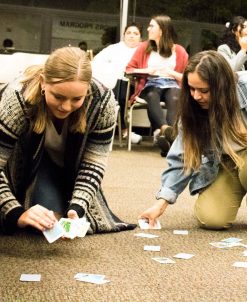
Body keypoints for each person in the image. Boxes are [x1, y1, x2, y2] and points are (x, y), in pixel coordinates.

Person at [139, 50, 247, 233]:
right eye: (191, 89)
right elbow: (182, 157)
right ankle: (241, 186)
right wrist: (161, 204)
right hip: (225, 163)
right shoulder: (193, 107)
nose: (195, 96)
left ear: (221, 85)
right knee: (211, 220)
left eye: (204, 90)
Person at [0, 47, 135, 235]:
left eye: (76, 99)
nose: (65, 106)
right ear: (43, 83)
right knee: (37, 220)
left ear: (87, 89)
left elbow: (94, 163)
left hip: (69, 166)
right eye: (58, 96)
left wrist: (78, 207)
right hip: (20, 164)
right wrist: (14, 211)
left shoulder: (103, 101)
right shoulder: (16, 98)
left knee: (55, 220)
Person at [126, 15, 188, 156]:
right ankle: (167, 131)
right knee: (152, 95)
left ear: (162, 30)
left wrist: (171, 73)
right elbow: (129, 69)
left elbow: (187, 78)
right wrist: (146, 71)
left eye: (151, 26)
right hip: (150, 83)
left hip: (172, 83)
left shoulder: (179, 51)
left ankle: (166, 137)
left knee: (174, 97)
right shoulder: (144, 47)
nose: (148, 29)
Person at [92, 23, 142, 143]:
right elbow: (96, 62)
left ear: (140, 37)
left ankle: (124, 130)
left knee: (120, 90)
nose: (131, 36)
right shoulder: (113, 48)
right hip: (109, 83)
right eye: (128, 33)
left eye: (135, 34)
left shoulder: (143, 51)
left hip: (135, 86)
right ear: (123, 35)